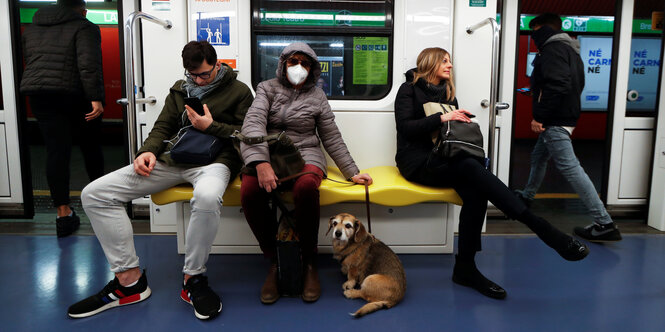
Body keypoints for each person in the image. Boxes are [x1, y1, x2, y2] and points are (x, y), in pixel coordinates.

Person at [67, 41, 253, 320]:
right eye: (193, 75)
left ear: (217, 65)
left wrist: (210, 126)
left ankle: (193, 279)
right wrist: (147, 151)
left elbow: (247, 133)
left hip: (215, 161)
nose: (198, 80)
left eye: (204, 74)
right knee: (95, 193)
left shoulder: (239, 91)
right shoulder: (180, 89)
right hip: (174, 159)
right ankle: (129, 282)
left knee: (206, 197)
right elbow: (164, 126)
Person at [394, 47, 589, 299]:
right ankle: (541, 227)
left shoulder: (448, 94)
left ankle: (465, 267)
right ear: (430, 62)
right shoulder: (408, 89)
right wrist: (443, 119)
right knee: (471, 169)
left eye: (450, 61)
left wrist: (455, 119)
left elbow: (450, 137)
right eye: (444, 60)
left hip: (444, 158)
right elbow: (405, 128)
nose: (450, 65)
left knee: (477, 189)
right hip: (416, 162)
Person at [240, 42, 372, 304]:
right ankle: (274, 260)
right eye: (293, 62)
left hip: (306, 151)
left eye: (305, 63)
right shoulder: (266, 88)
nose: (298, 68)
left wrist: (351, 172)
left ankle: (309, 259)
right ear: (283, 64)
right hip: (270, 151)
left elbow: (331, 136)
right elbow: (253, 124)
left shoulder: (317, 96)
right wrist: (261, 164)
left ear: (312, 69)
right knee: (250, 191)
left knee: (306, 187)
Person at [514, 13, 622, 243]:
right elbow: (574, 83)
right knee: (538, 156)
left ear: (544, 29)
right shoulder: (571, 50)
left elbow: (558, 84)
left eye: (535, 31)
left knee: (570, 168)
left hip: (555, 118)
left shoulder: (553, 50)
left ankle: (604, 223)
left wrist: (540, 115)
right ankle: (527, 196)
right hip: (564, 114)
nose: (534, 36)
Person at [20, 0, 105, 237]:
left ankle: (63, 214)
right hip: (74, 95)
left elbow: (31, 60)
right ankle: (103, 207)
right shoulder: (84, 26)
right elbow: (88, 65)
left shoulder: (34, 26)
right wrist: (95, 98)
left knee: (56, 151)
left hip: (40, 95)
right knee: (91, 148)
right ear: (81, 9)